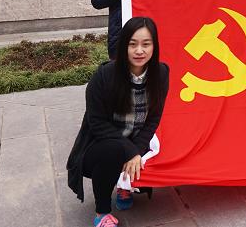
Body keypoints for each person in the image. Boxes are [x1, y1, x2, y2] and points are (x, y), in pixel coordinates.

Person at [67, 17, 169, 227]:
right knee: (114, 150)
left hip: (135, 139)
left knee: (165, 150)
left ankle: (125, 186)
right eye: (132, 44)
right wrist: (130, 151)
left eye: (146, 44)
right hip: (101, 144)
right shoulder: (105, 76)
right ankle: (102, 213)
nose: (139, 51)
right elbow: (97, 123)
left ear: (154, 46)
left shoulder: (161, 73)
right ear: (124, 46)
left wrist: (136, 149)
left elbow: (154, 118)